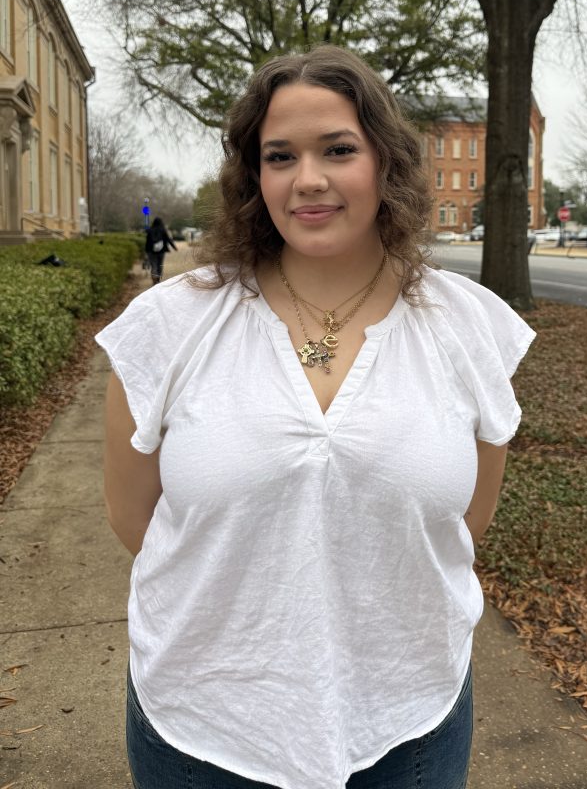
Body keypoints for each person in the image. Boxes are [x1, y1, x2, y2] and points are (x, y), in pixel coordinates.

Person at [94, 45, 535, 789]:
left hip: (407, 720)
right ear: (254, 177)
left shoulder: (468, 328)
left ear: (386, 162)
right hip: (203, 722)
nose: (308, 179)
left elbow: (464, 523)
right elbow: (134, 518)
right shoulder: (169, 326)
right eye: (280, 156)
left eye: (338, 149)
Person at [144, 216, 178, 285]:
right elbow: (168, 239)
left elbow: (147, 242)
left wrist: (146, 251)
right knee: (160, 264)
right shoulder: (163, 230)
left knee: (153, 264)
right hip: (161, 251)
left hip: (151, 251)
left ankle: (154, 277)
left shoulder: (150, 230)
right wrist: (174, 247)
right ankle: (158, 278)